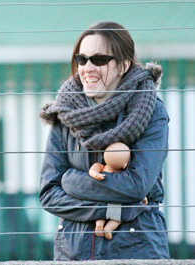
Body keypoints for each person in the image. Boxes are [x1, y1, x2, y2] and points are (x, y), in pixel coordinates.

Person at [39, 21, 169, 260]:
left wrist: (72, 180)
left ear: (123, 65)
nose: (88, 67)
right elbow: (49, 193)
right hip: (73, 252)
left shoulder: (150, 111)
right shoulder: (64, 113)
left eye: (99, 60)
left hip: (136, 250)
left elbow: (137, 186)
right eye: (82, 59)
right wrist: (115, 209)